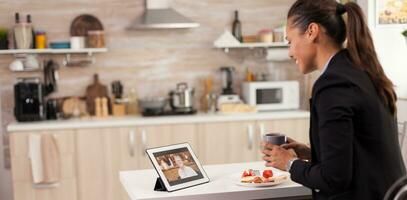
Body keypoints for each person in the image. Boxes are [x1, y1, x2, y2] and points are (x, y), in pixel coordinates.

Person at [261, 0, 406, 199]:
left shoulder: (332, 85)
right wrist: (310, 153)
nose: (290, 52)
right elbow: (359, 154)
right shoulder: (361, 71)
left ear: (312, 31)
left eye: (289, 41)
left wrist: (289, 163)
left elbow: (334, 179)